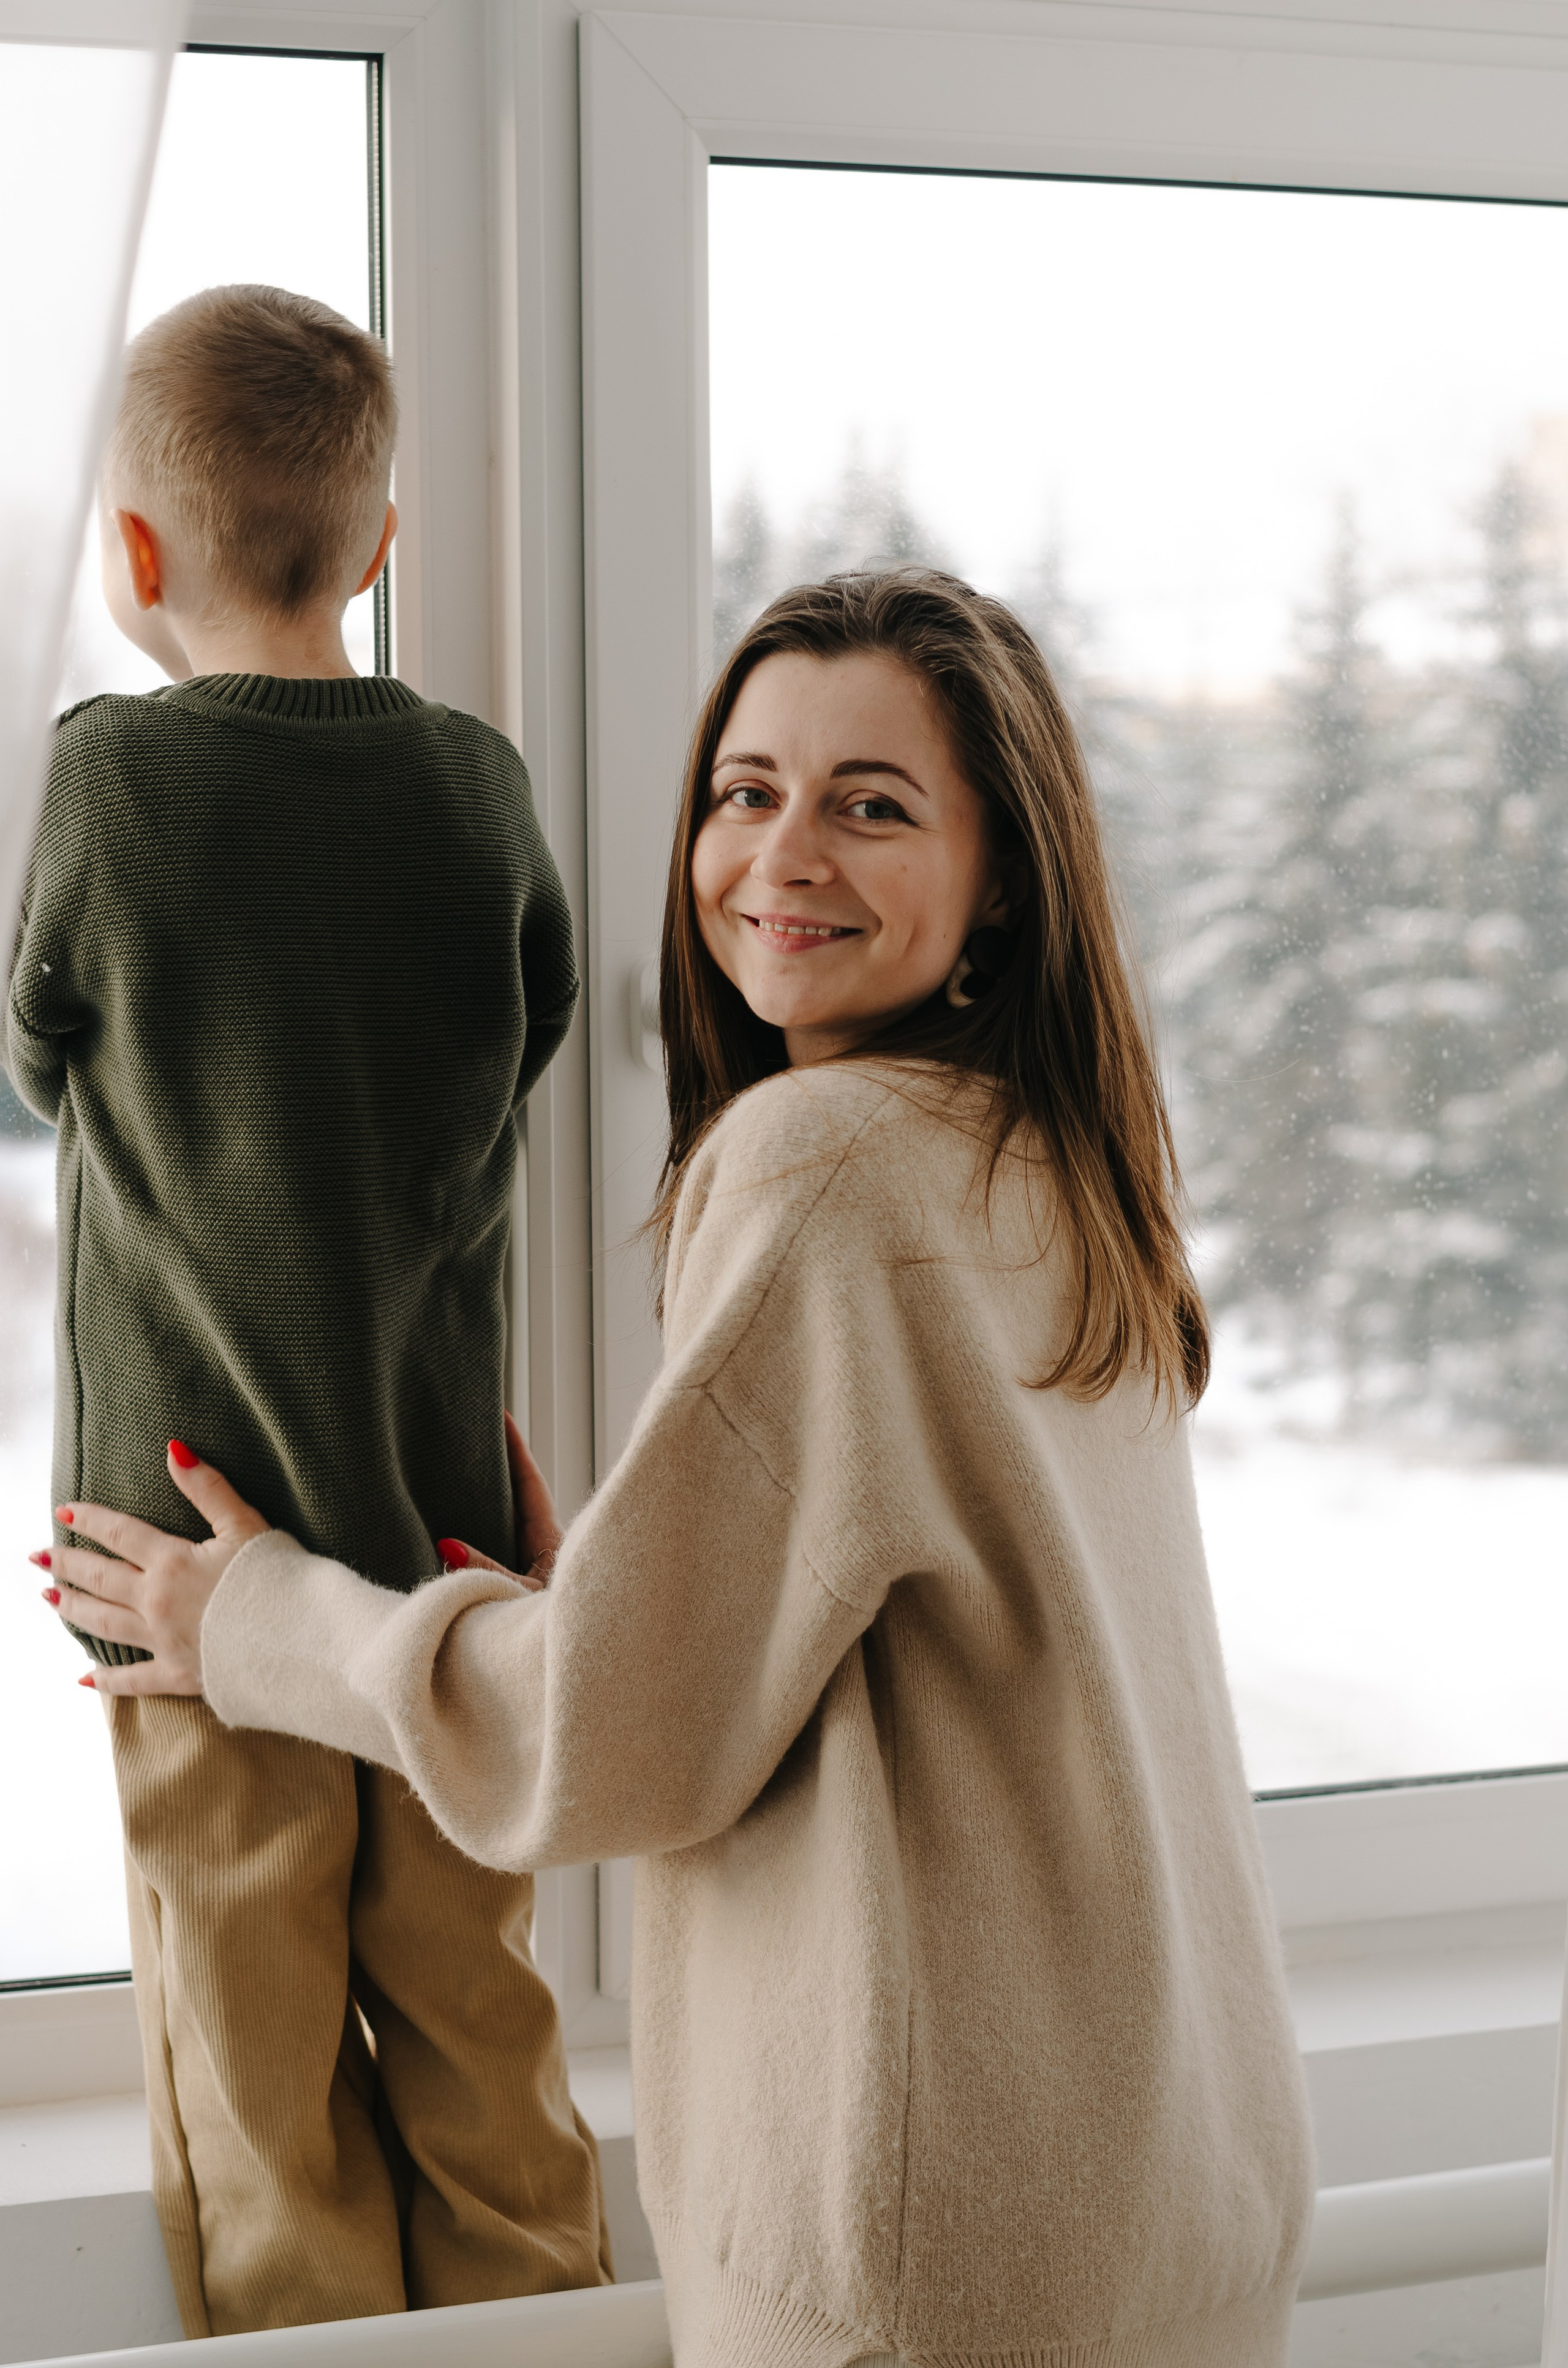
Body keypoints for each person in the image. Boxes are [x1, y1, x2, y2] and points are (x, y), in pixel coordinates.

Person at [44, 568, 1316, 2366]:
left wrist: (256, 1614)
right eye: (745, 791)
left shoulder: (822, 1169)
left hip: (935, 2257)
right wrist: (617, 1590)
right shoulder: (1050, 1165)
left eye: (870, 804)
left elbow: (609, 1735)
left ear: (1004, 874)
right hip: (1175, 2196)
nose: (781, 851)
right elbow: (925, 1649)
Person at [10, 285, 608, 2336]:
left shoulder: (107, 788)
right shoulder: (476, 787)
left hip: (188, 1567)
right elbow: (520, 1034)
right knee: (482, 2028)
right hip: (445, 1562)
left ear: (137, 557)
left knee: (253, 2071)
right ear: (377, 548)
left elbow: (37, 1040)